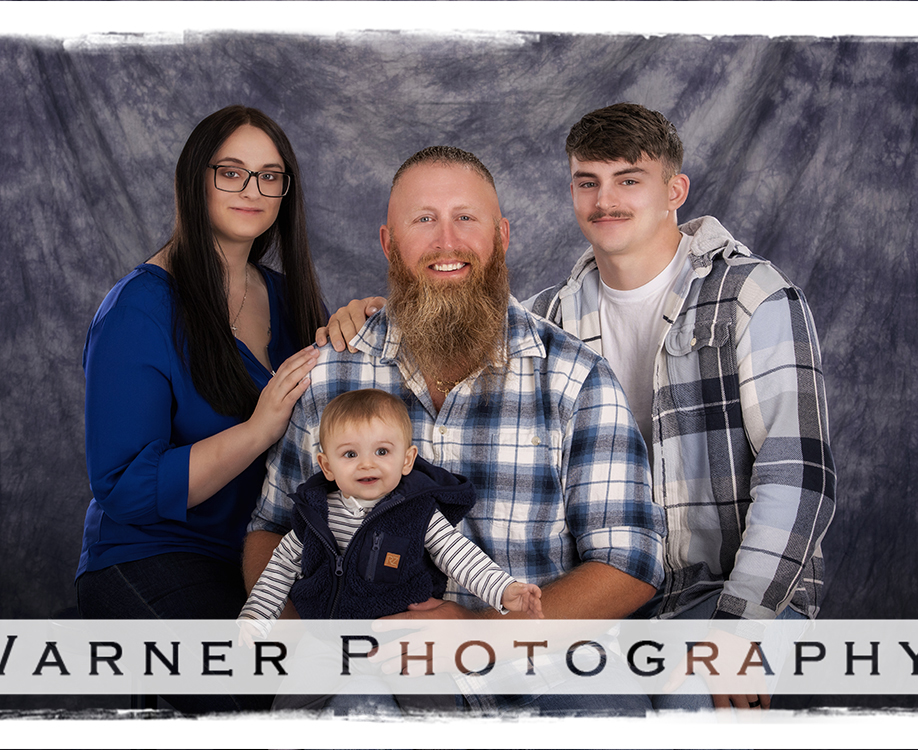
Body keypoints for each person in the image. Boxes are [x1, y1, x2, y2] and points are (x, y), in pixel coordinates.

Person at [322, 104, 837, 712]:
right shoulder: (552, 318)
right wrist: (385, 311)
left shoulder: (752, 296)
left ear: (675, 190)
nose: (605, 199)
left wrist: (739, 626)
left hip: (728, 593)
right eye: (588, 181)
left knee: (691, 707)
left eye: (629, 180)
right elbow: (454, 302)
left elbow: (798, 476)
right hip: (618, 603)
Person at [245, 146, 666, 715]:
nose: (447, 242)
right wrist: (314, 646)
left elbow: (629, 563)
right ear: (389, 245)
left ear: (503, 235)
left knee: (608, 713)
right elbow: (273, 530)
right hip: (367, 667)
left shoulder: (574, 377)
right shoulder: (329, 373)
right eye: (423, 220)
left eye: (466, 217)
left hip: (537, 664)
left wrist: (482, 632)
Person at [74, 105, 325, 713]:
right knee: (245, 697)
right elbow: (127, 488)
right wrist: (259, 428)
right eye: (231, 172)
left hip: (260, 557)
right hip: (152, 553)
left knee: (341, 684)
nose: (252, 189)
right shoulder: (139, 308)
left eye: (270, 175)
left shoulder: (286, 297)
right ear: (196, 179)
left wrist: (363, 327)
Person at [238, 388, 542, 629]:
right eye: (350, 453)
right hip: (325, 638)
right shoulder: (315, 515)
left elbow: (460, 557)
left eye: (382, 451)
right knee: (302, 696)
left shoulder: (417, 512)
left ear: (407, 460)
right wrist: (255, 619)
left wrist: (505, 591)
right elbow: (279, 568)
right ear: (327, 466)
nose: (367, 463)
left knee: (428, 696)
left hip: (400, 635)